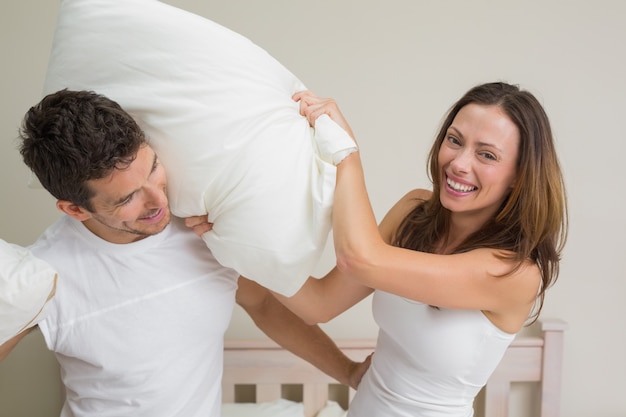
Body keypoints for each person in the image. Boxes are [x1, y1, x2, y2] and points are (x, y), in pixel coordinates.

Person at [188, 81, 568, 416]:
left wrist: (345, 153)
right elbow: (318, 303)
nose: (458, 163)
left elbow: (359, 259)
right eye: (454, 140)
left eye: (486, 154)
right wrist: (232, 232)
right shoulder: (414, 214)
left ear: (520, 177)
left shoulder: (514, 273)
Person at [0, 89, 369, 417]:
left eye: (154, 168)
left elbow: (262, 304)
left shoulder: (202, 225)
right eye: (128, 198)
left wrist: (348, 371)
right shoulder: (44, 275)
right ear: (75, 209)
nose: (158, 201)